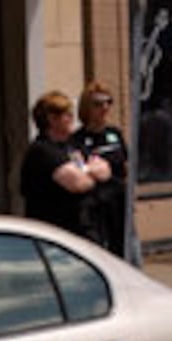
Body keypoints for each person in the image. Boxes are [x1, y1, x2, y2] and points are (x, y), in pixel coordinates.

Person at [21, 90, 110, 240]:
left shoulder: (73, 145)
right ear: (52, 119)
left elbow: (105, 170)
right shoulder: (42, 150)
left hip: (85, 232)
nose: (71, 119)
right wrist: (89, 172)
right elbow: (77, 183)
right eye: (67, 115)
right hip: (55, 237)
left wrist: (84, 170)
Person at [72, 82, 129, 256]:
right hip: (95, 204)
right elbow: (83, 169)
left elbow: (124, 163)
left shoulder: (114, 134)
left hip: (118, 201)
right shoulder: (78, 139)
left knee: (121, 248)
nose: (104, 108)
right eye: (98, 104)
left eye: (108, 102)